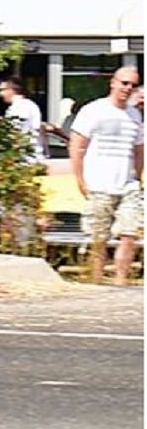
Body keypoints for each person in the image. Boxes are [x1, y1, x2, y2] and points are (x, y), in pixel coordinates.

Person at [69, 66, 145, 285]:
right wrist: (80, 179)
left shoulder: (134, 115)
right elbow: (77, 146)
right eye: (124, 83)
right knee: (98, 237)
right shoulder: (94, 110)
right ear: (113, 82)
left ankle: (120, 281)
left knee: (130, 233)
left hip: (127, 184)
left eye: (132, 85)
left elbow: (138, 148)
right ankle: (96, 281)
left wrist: (138, 177)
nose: (128, 88)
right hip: (99, 182)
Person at [0, 77, 47, 162]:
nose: (0, 94)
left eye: (2, 90)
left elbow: (16, 131)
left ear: (11, 90)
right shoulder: (21, 106)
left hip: (27, 159)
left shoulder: (22, 106)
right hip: (24, 157)